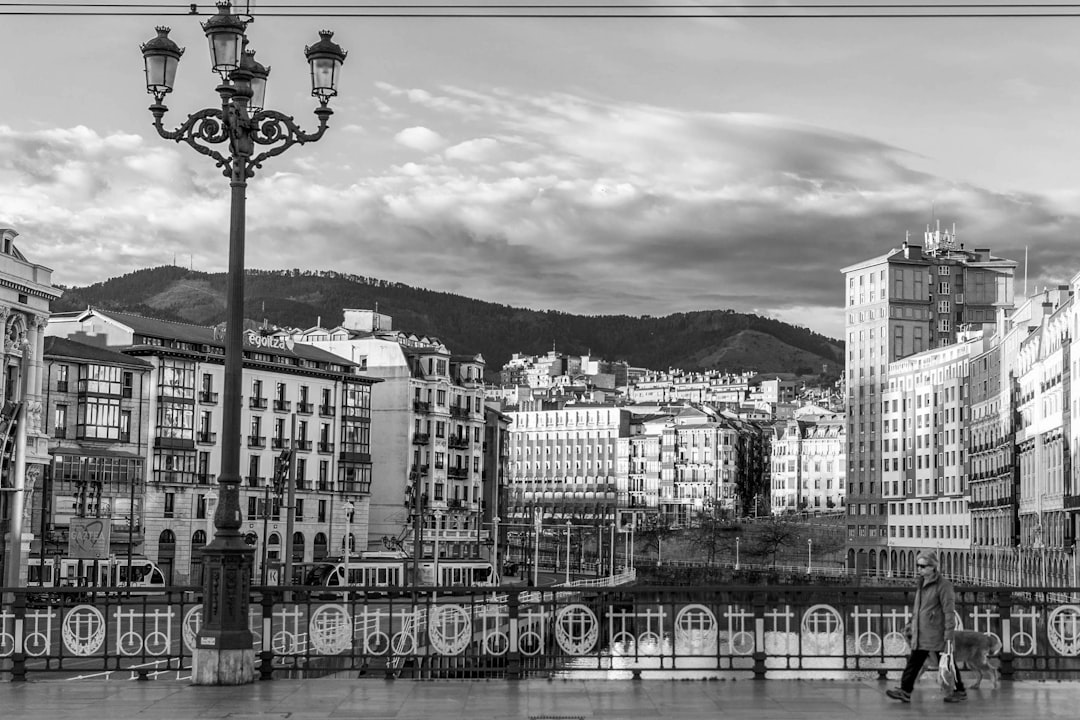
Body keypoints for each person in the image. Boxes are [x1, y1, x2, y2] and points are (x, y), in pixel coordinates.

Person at [886, 550, 967, 704]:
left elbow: (948, 611)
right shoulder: (921, 583)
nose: (919, 569)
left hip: (935, 632)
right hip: (922, 631)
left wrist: (949, 633)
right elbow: (920, 608)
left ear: (932, 567)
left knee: (944, 662)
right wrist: (912, 622)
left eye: (923, 566)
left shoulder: (944, 585)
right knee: (917, 662)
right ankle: (906, 690)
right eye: (918, 566)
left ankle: (958, 690)